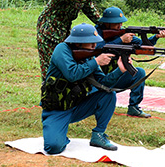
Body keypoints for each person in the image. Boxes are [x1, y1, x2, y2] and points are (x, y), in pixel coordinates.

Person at [40, 23, 127, 154]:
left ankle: (98, 134)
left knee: (108, 95)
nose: (94, 46)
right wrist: (96, 62)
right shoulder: (62, 49)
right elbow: (72, 74)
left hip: (77, 105)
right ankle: (58, 133)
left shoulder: (89, 56)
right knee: (53, 147)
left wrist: (120, 70)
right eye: (91, 43)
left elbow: (103, 82)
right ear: (78, 43)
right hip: (56, 110)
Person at [36, 0, 123, 81]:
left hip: (65, 33)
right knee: (51, 68)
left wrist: (115, 29)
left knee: (68, 65)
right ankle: (48, 94)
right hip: (48, 32)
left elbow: (94, 15)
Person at [94, 7, 165, 118]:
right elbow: (97, 48)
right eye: (116, 23)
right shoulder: (96, 33)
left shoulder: (122, 33)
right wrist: (121, 40)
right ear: (107, 23)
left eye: (121, 23)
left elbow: (144, 46)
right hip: (97, 82)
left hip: (116, 77)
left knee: (139, 73)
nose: (120, 25)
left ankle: (134, 107)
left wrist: (156, 37)